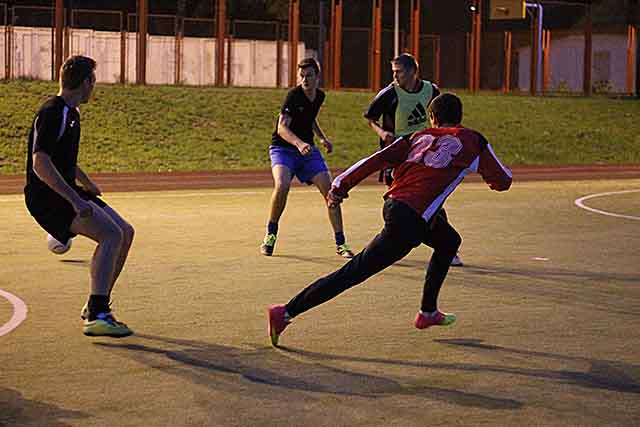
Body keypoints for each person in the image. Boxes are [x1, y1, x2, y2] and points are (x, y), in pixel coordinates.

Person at [267, 93, 512, 346]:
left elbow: (375, 160)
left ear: (432, 118)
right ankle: (285, 312)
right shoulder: (474, 140)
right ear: (460, 117)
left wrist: (340, 186)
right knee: (355, 271)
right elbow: (504, 181)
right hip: (410, 220)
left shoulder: (417, 137)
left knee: (449, 241)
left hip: (395, 205)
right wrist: (480, 173)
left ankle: (428, 312)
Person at [24, 55, 134, 337]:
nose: (93, 88)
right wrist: (75, 200)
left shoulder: (71, 114)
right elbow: (40, 163)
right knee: (111, 235)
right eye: (93, 81)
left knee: (125, 232)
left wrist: (87, 184)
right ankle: (98, 315)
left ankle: (96, 304)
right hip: (47, 195)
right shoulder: (53, 111)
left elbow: (63, 160)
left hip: (66, 190)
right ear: (86, 82)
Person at [364, 52, 464, 267]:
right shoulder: (389, 94)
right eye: (393, 72)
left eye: (398, 72)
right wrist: (383, 133)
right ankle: (387, 245)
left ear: (412, 72)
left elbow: (439, 115)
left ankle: (447, 248)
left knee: (433, 197)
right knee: (395, 200)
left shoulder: (431, 91)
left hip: (422, 154)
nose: (395, 76)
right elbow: (370, 118)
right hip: (397, 154)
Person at [260, 58, 354, 258]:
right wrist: (299, 143)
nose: (305, 80)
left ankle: (341, 244)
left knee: (331, 193)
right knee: (282, 185)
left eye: (309, 75)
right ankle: (270, 235)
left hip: (308, 151)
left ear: (317, 77)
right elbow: (281, 128)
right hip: (283, 149)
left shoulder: (319, 96)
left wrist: (322, 138)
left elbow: (310, 118)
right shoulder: (293, 96)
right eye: (301, 76)